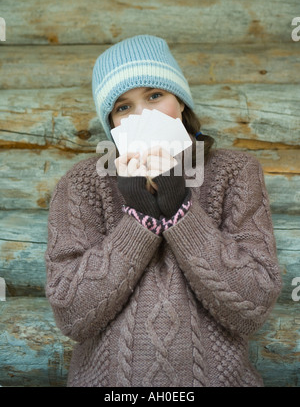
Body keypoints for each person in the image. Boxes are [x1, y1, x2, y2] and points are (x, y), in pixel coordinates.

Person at [45, 35, 282, 387]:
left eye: (155, 96)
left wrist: (179, 210)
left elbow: (254, 304)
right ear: (112, 124)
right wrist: (139, 219)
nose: (144, 114)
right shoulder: (83, 182)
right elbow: (72, 314)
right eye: (124, 107)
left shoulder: (235, 171)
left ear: (181, 102)